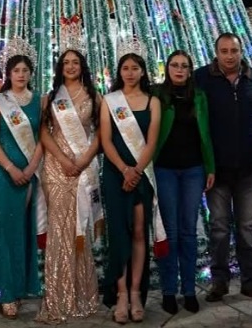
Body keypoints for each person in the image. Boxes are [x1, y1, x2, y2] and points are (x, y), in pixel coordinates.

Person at [193, 32, 252, 305]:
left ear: (241, 51)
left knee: (247, 228)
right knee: (219, 228)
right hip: (217, 171)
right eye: (224, 51)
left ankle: (250, 283)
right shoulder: (201, 78)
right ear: (216, 53)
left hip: (249, 170)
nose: (230, 55)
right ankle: (219, 282)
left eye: (234, 50)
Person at [0, 41, 44, 319]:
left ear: (31, 73)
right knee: (3, 228)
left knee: (23, 228)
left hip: (30, 172)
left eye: (25, 70)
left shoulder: (40, 100)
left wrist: (30, 168)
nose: (21, 75)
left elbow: (42, 139)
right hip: (2, 173)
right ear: (8, 73)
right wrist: (10, 168)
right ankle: (4, 291)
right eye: (16, 70)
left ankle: (22, 284)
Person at [35, 47, 103, 323]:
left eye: (76, 62)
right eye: (66, 62)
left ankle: (82, 295)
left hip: (84, 168)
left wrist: (85, 158)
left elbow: (100, 132)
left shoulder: (94, 96)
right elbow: (43, 132)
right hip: (56, 167)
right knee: (59, 230)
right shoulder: (51, 97)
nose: (71, 66)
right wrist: (63, 159)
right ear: (60, 67)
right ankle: (57, 296)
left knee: (80, 230)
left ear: (82, 66)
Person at [100, 46, 165, 325]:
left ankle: (137, 292)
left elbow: (151, 142)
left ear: (142, 72)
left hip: (142, 174)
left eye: (134, 68)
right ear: (119, 72)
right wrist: (124, 169)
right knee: (118, 234)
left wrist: (136, 170)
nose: (129, 73)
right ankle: (122, 294)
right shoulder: (109, 100)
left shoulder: (153, 102)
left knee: (139, 231)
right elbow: (105, 140)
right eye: (125, 68)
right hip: (116, 174)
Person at [152, 50, 215, 315]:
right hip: (164, 170)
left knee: (189, 232)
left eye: (184, 66)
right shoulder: (157, 95)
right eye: (174, 65)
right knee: (170, 232)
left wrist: (210, 167)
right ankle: (169, 290)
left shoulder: (199, 96)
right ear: (167, 68)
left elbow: (206, 133)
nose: (179, 70)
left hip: (193, 170)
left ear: (190, 70)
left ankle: (189, 289)